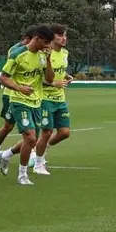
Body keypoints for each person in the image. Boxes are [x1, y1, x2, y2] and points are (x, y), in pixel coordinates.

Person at [0, 25, 54, 186]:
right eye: (46, 42)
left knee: (32, 141)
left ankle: (6, 155)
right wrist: (19, 88)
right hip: (19, 101)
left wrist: (48, 60)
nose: (48, 46)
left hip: (37, 102)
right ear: (36, 39)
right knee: (30, 137)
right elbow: (3, 78)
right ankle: (22, 175)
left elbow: (49, 79)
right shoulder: (17, 55)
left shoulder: (43, 56)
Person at [33, 24, 72, 175]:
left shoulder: (65, 53)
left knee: (64, 132)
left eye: (65, 35)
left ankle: (42, 148)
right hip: (45, 98)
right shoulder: (43, 54)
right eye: (60, 35)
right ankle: (38, 163)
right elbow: (36, 77)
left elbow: (60, 69)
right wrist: (53, 82)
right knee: (47, 131)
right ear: (53, 37)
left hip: (60, 98)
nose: (64, 38)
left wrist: (67, 75)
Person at [0, 31, 31, 166]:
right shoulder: (15, 51)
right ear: (27, 39)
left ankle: (32, 154)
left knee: (31, 127)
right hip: (11, 93)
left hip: (30, 95)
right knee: (8, 126)